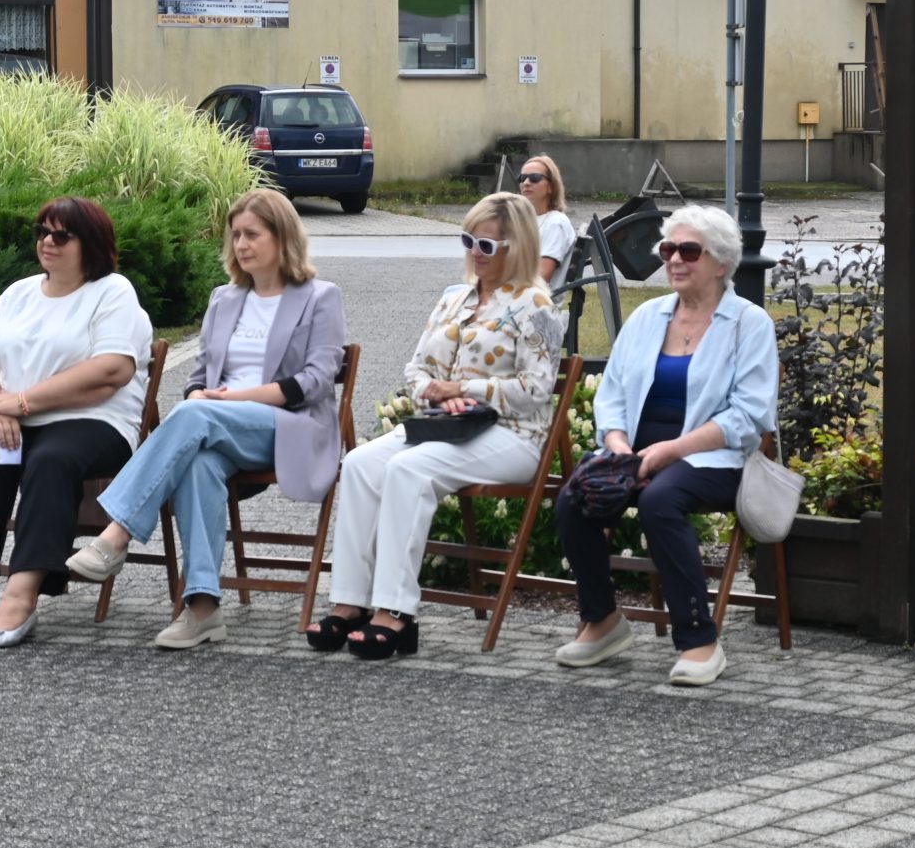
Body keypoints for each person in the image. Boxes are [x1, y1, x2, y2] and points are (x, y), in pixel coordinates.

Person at [64, 190, 348, 649]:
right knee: (198, 462)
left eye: (252, 234)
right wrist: (203, 396)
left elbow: (315, 381)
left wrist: (233, 399)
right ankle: (202, 608)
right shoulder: (224, 298)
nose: (241, 244)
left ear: (283, 237)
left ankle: (116, 534)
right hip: (216, 426)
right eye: (235, 235)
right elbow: (198, 379)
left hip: (287, 426)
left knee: (197, 415)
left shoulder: (319, 297)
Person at [313, 192, 562, 660]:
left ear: (518, 248)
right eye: (468, 241)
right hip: (445, 425)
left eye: (486, 245)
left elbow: (537, 388)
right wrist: (433, 390)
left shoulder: (537, 305)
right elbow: (416, 367)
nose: (474, 253)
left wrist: (465, 389)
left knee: (409, 469)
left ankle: (396, 612)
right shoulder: (454, 297)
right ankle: (350, 601)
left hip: (512, 435)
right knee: (361, 463)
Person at [553, 204, 778, 687]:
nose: (674, 259)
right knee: (575, 497)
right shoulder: (646, 317)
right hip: (635, 452)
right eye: (668, 249)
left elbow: (749, 417)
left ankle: (700, 640)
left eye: (689, 251)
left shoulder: (748, 323)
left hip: (715, 458)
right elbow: (612, 394)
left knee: (660, 500)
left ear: (721, 262)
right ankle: (603, 621)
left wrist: (669, 452)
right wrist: (618, 445)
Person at [0, 197, 153, 649]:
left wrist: (22, 401)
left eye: (61, 235)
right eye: (41, 232)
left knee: (51, 460)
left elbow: (112, 370)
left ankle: (22, 592)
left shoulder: (112, 292)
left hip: (93, 420)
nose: (47, 242)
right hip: (13, 417)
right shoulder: (18, 293)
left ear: (90, 243)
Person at [520, 155, 576, 285]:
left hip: (532, 296)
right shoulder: (524, 220)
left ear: (551, 187)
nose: (526, 182)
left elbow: (541, 277)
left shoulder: (555, 223)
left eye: (534, 178)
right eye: (522, 178)